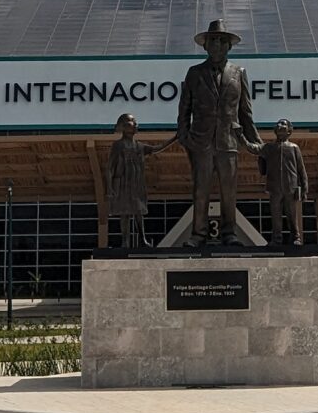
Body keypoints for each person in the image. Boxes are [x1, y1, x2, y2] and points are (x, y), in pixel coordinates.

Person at [176, 18, 259, 244]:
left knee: (228, 192)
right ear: (205, 46)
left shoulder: (239, 73)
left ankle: (229, 233)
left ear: (229, 46)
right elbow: (184, 108)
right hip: (201, 141)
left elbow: (246, 112)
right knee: (200, 191)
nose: (217, 46)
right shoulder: (194, 73)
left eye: (222, 42)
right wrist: (184, 136)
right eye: (213, 41)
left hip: (229, 141)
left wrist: (256, 143)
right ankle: (198, 234)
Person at [104, 112, 169, 251]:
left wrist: (175, 138)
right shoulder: (118, 145)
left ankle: (143, 239)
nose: (135, 124)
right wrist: (109, 188)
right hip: (122, 183)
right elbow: (109, 167)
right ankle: (125, 241)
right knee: (125, 213)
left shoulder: (139, 146)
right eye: (131, 122)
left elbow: (157, 148)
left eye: (135, 122)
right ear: (124, 126)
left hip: (136, 183)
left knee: (138, 212)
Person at [258, 119, 307, 250]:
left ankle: (296, 237)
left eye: (283, 124)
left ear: (289, 131)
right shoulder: (269, 148)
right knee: (276, 214)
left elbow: (301, 170)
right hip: (274, 188)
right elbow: (254, 149)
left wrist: (304, 189)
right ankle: (276, 239)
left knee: (291, 213)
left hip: (290, 187)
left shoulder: (294, 148)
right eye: (278, 124)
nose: (280, 126)